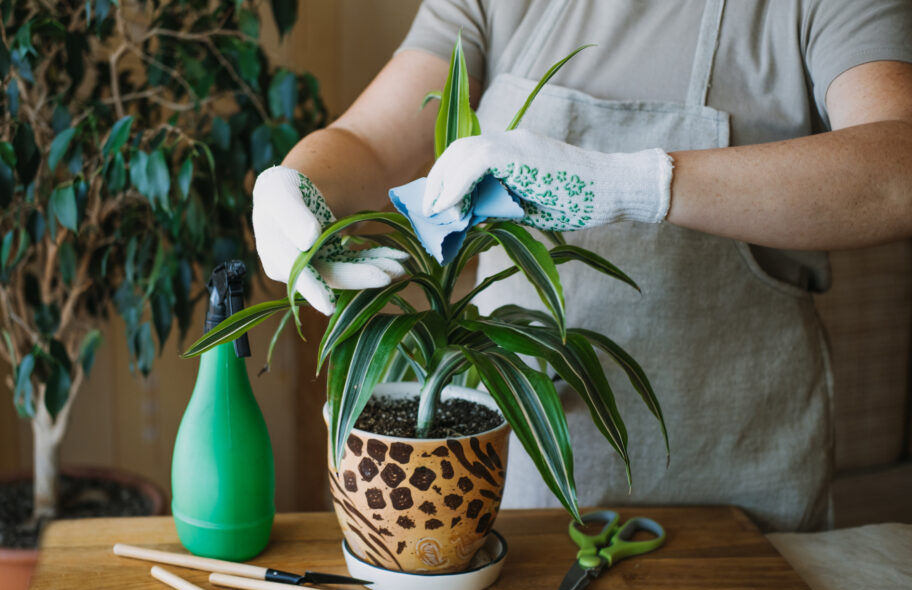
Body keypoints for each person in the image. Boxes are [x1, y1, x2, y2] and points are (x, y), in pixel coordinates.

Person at [252, 0, 912, 531]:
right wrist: (297, 181)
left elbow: (897, 168)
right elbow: (370, 142)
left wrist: (639, 184)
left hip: (747, 493)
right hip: (531, 481)